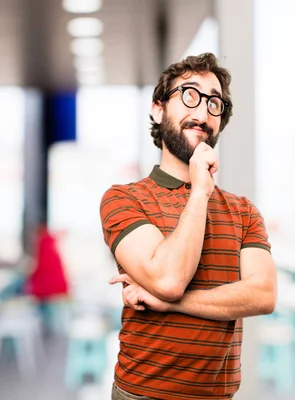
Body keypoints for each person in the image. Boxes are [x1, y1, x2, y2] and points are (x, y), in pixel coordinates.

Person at [99, 53, 277, 400]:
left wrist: (171, 303)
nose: (202, 112)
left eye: (214, 103)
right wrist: (200, 192)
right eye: (189, 95)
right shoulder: (124, 199)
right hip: (142, 394)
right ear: (158, 109)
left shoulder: (243, 211)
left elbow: (263, 294)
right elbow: (169, 278)